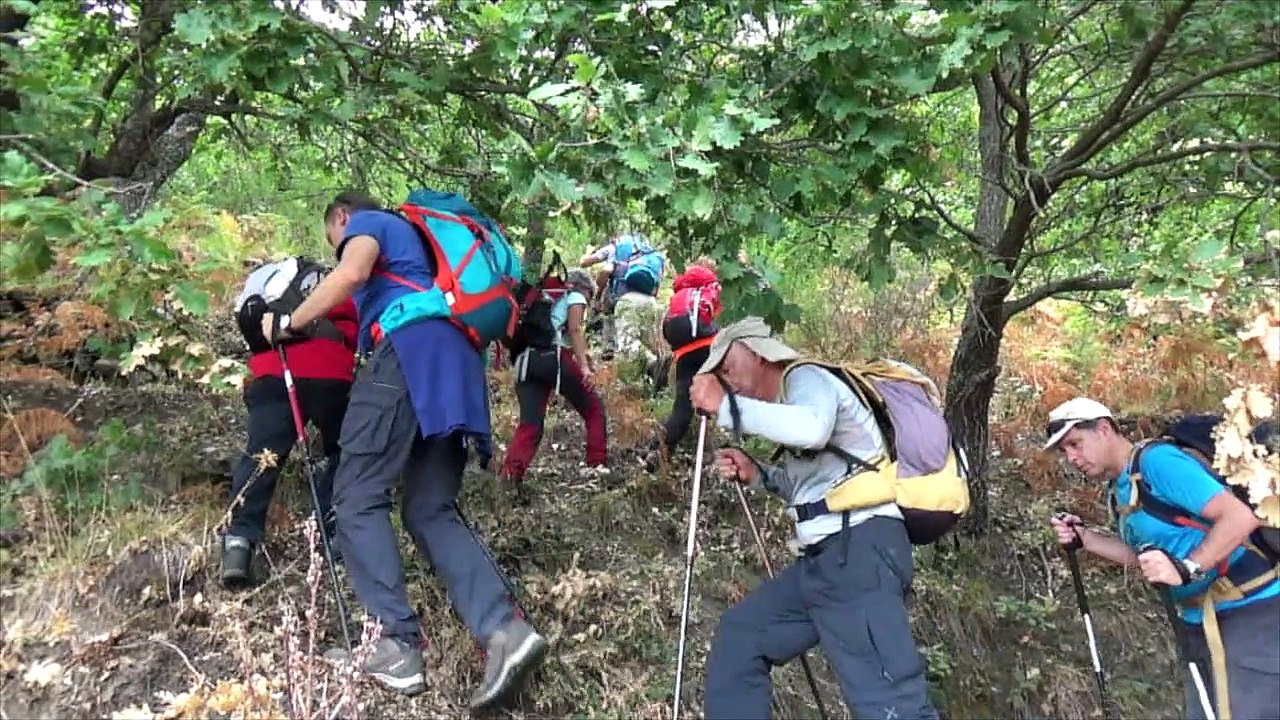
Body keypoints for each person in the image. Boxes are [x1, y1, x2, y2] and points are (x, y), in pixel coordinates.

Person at [258, 191, 547, 708]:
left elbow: (350, 274)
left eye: (333, 238)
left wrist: (288, 322)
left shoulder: (370, 223)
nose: (337, 246)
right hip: (457, 363)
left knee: (355, 495)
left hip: (407, 353)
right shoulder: (418, 254)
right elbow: (352, 305)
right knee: (428, 508)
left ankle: (394, 644)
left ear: (341, 216)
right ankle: (505, 631)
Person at [688, 317, 939, 720]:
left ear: (756, 353)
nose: (727, 379)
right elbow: (814, 489)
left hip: (861, 553)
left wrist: (726, 407)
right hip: (826, 562)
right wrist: (759, 474)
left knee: (890, 704)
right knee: (743, 636)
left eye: (728, 367)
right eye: (720, 376)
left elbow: (812, 430)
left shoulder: (808, 377)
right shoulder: (791, 403)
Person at [1045, 398, 1279, 720]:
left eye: (1075, 443)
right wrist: (1086, 539)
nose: (1071, 458)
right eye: (1064, 451)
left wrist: (1188, 568)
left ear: (1103, 429)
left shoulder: (1158, 463)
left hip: (1251, 613)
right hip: (1197, 621)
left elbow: (1239, 517)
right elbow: (1149, 558)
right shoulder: (1120, 488)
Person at [221, 296, 358, 588]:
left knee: (262, 456)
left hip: (273, 371)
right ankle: (330, 526)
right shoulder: (340, 285)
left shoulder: (266, 285)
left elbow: (250, 322)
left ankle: (238, 543)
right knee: (346, 450)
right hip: (331, 371)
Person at [500, 269, 608, 485]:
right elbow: (575, 329)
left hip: (525, 362)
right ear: (584, 289)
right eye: (590, 295)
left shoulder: (542, 300)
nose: (589, 301)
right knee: (593, 408)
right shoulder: (575, 296)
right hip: (553, 357)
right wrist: (584, 367)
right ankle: (597, 466)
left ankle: (510, 476)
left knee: (530, 423)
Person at [659, 256, 721, 455]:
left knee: (682, 407)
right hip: (708, 347)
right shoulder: (712, 289)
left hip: (684, 352)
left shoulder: (680, 292)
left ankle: (661, 450)